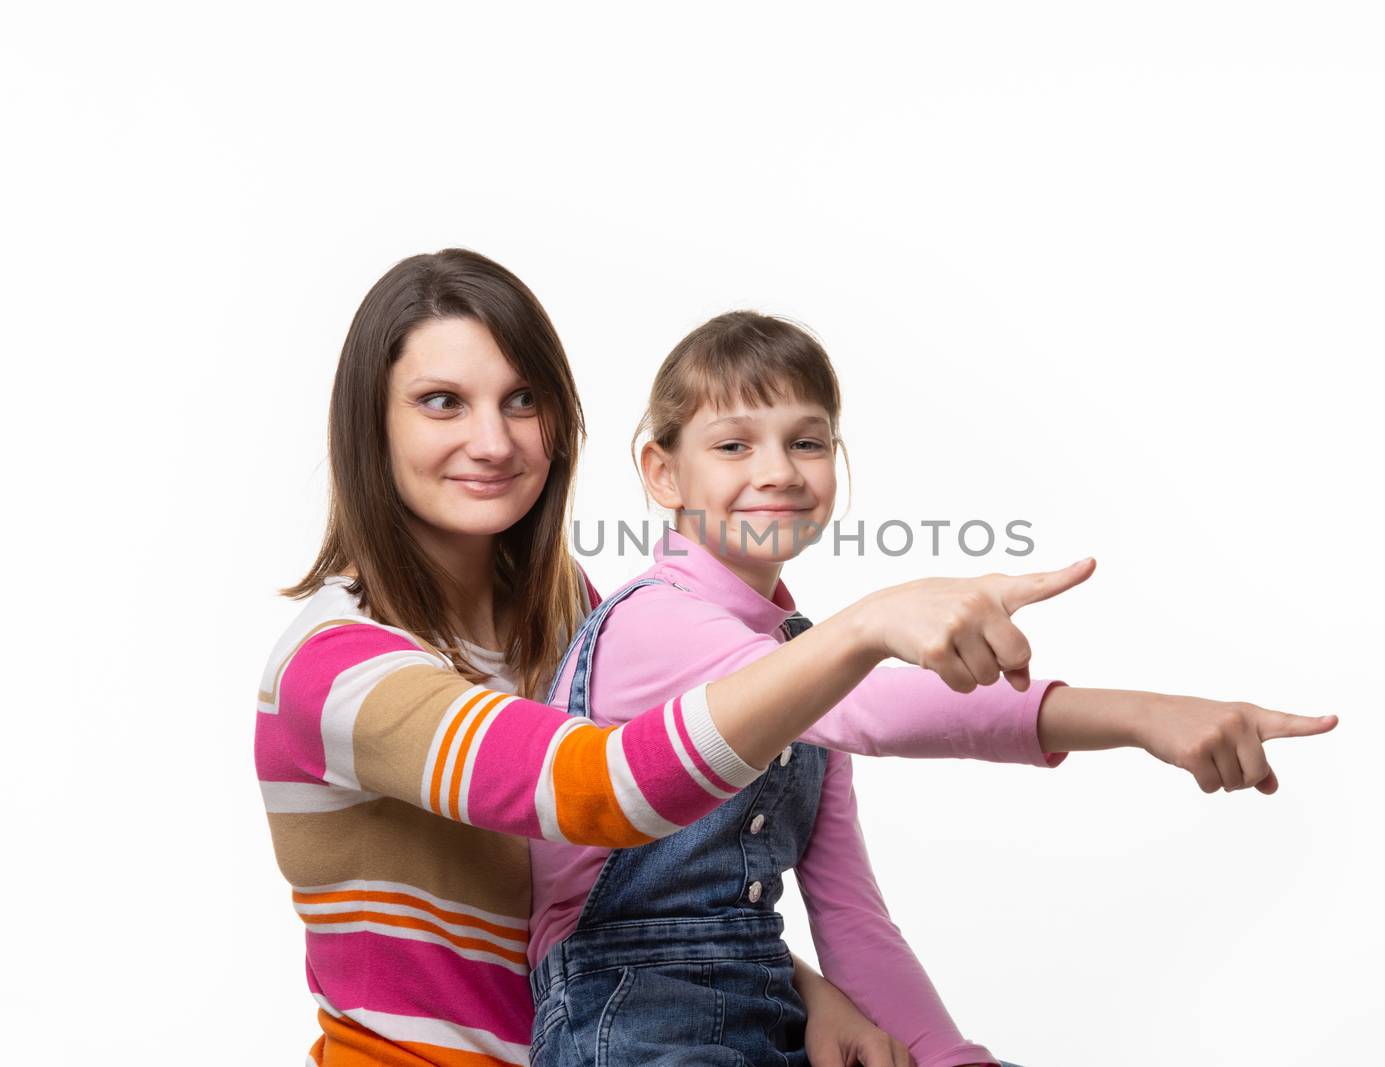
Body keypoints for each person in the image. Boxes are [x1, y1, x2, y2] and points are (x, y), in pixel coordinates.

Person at [258, 249, 1098, 1067]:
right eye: (442, 402)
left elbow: (633, 904)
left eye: (522, 400)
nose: (493, 440)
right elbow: (600, 791)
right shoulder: (335, 668)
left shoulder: (577, 620)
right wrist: (861, 630)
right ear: (372, 425)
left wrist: (806, 993)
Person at [526, 311, 1341, 1067]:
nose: (777, 469)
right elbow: (875, 709)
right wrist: (1137, 716)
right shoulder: (654, 624)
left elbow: (849, 912)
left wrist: (949, 1055)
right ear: (662, 473)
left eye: (806, 442)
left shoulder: (800, 650)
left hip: (766, 1013)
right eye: (734, 445)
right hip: (628, 1022)